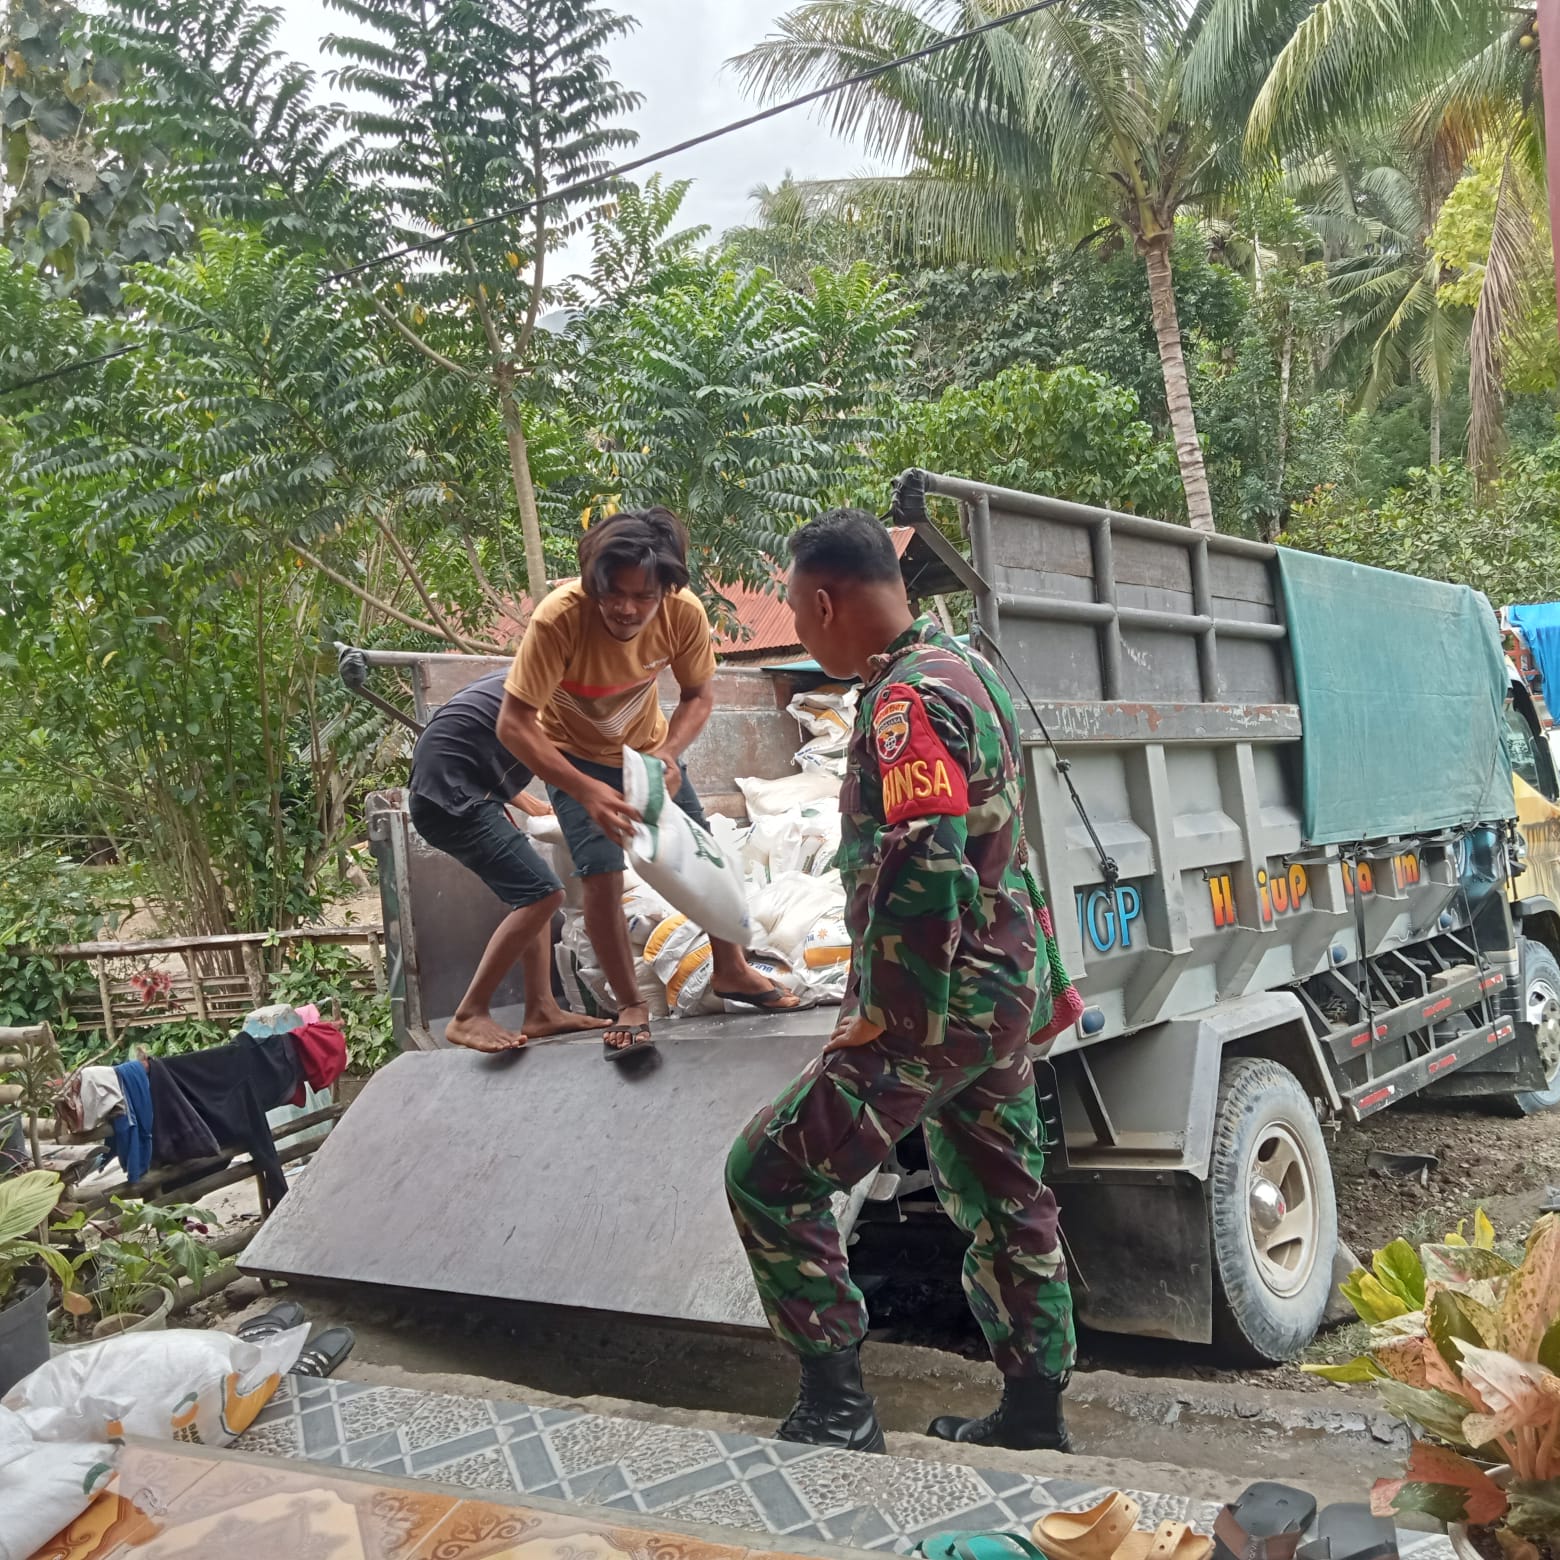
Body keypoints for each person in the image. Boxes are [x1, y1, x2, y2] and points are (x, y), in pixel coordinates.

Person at [724, 508, 1077, 1454]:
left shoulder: (903, 702)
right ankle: (1037, 1420)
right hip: (997, 998)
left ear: (827, 599)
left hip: (938, 1007)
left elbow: (929, 865)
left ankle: (838, 1410)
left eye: (798, 611)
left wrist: (886, 1017)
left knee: (769, 1174)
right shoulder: (969, 671)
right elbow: (1016, 848)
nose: (801, 629)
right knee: (1007, 1194)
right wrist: (1047, 985)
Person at [497, 507, 805, 1058]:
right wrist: (586, 790)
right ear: (592, 582)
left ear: (665, 589)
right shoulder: (557, 620)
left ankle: (731, 970)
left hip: (646, 752)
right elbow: (514, 724)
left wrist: (667, 752)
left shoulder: (683, 614)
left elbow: (698, 696)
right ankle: (629, 1005)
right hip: (572, 755)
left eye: (644, 597)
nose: (626, 609)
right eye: (613, 594)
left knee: (701, 850)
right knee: (601, 874)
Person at [407, 671, 608, 1052]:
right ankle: (469, 1014)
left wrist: (522, 799)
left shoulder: (530, 679)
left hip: (460, 788)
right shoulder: (559, 689)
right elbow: (563, 761)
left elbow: (486, 737)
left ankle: (542, 1010)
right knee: (543, 895)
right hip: (452, 798)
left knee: (534, 894)